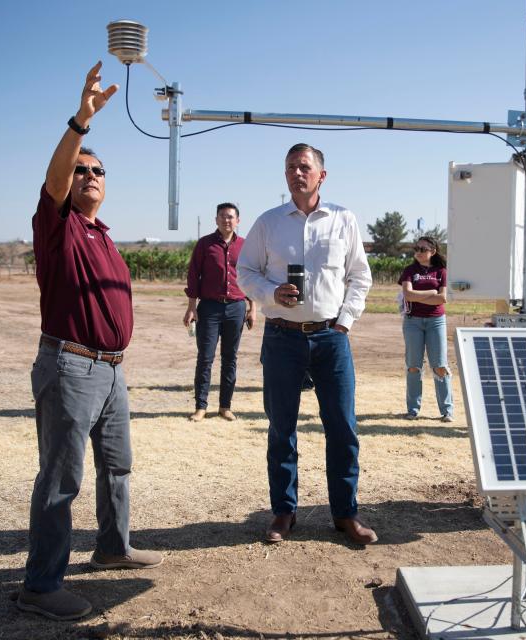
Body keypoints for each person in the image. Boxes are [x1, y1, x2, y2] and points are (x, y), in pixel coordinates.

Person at [19, 62, 162, 622]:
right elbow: (53, 181)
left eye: (99, 170)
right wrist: (80, 122)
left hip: (111, 370)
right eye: (82, 171)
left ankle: (112, 547)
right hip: (70, 364)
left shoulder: (103, 234)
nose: (90, 176)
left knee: (117, 465)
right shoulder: (58, 226)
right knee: (62, 477)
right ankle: (41, 584)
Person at [238, 143, 376, 545]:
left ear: (321, 176)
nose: (297, 174)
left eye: (304, 167)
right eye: (290, 168)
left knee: (343, 429)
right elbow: (244, 271)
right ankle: (283, 512)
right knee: (282, 429)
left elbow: (360, 277)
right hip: (282, 337)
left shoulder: (343, 220)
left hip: (331, 338)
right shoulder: (268, 223)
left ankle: (345, 514)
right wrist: (268, 294)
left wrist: (345, 322)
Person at [183, 203, 256, 422]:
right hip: (209, 308)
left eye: (231, 217)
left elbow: (250, 278)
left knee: (230, 358)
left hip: (236, 307)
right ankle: (201, 406)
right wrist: (191, 307)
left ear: (238, 220)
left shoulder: (245, 246)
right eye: (223, 217)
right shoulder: (205, 244)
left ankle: (225, 406)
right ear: (216, 220)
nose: (227, 220)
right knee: (205, 358)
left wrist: (252, 308)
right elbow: (193, 276)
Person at [398, 236, 454, 422]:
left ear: (433, 251)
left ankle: (447, 410)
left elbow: (443, 298)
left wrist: (420, 296)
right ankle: (413, 409)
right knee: (414, 366)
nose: (419, 252)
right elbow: (408, 294)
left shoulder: (442, 271)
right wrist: (431, 292)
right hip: (413, 322)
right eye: (417, 248)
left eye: (423, 249)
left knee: (439, 365)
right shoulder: (409, 270)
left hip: (436, 321)